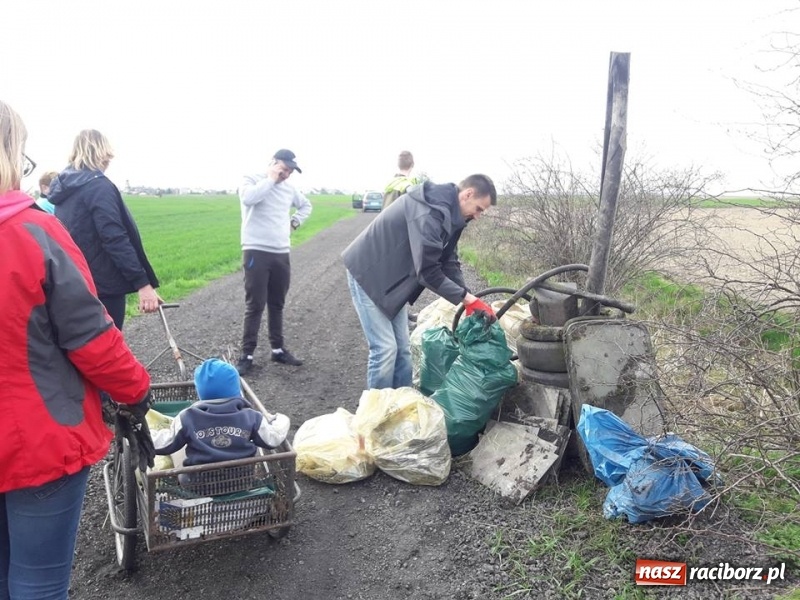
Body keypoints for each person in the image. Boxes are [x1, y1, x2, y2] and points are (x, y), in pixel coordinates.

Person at [0, 100, 152, 600]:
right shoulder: (31, 233)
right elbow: (91, 340)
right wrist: (136, 390)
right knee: (38, 582)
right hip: (35, 436)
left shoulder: (57, 202)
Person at [342, 174, 498, 390]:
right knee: (385, 350)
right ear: (468, 194)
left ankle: (403, 402)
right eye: (479, 209)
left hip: (391, 280)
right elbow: (427, 271)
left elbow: (448, 260)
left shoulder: (453, 216)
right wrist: (467, 299)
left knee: (403, 350)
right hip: (368, 274)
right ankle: (378, 407)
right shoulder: (429, 210)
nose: (478, 216)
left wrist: (468, 296)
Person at [47, 129, 161, 330]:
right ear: (102, 153)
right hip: (104, 286)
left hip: (73, 281)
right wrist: (142, 284)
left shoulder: (64, 190)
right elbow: (114, 237)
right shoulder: (98, 186)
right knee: (109, 342)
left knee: (83, 342)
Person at [236, 148, 313, 376]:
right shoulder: (252, 180)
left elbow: (306, 205)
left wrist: (294, 222)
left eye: (290, 171)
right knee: (255, 304)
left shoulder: (289, 189)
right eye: (284, 169)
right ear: (274, 163)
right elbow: (248, 198)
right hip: (255, 251)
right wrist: (271, 179)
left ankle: (277, 349)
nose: (286, 175)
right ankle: (246, 355)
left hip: (281, 252)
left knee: (277, 303)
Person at [152, 359, 290, 471]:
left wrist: (146, 434)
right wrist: (281, 419)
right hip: (242, 479)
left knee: (179, 451)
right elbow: (272, 439)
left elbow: (165, 444)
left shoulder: (187, 417)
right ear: (235, 389)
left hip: (198, 483)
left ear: (200, 392)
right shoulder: (251, 416)